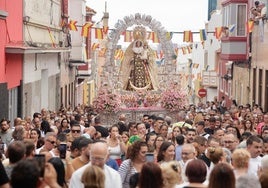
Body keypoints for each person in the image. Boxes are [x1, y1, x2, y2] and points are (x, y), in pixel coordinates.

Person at [119, 26, 158, 91]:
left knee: (146, 77)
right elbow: (127, 57)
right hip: (134, 67)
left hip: (143, 67)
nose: (138, 45)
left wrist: (147, 60)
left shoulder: (146, 48)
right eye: (137, 43)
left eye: (140, 43)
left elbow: (151, 57)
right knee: (132, 77)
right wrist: (131, 60)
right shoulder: (131, 49)